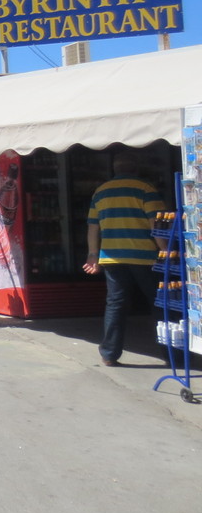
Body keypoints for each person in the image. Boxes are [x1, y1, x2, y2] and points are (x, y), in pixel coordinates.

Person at [81, 153, 166, 367]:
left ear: (114, 170)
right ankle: (169, 352)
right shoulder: (146, 189)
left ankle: (109, 354)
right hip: (144, 257)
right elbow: (155, 225)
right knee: (159, 303)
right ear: (136, 168)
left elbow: (93, 227)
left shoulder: (101, 192)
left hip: (111, 257)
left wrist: (93, 256)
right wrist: (165, 252)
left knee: (115, 304)